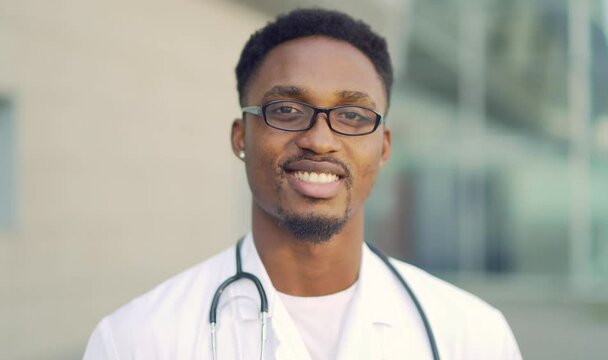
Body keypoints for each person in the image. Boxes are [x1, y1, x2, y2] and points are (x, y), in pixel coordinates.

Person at [83, 8, 522, 360]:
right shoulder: (137, 341)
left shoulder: (471, 336)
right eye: (287, 110)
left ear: (384, 147)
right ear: (242, 137)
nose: (319, 140)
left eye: (352, 116)